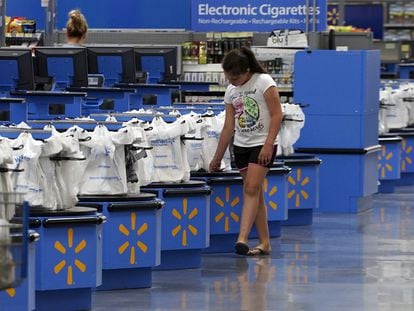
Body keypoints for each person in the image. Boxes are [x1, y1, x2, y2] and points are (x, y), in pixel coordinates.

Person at [209, 47, 283, 256]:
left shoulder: (264, 82)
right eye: (228, 75)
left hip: (262, 144)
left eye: (235, 75)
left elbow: (277, 115)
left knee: (250, 189)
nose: (231, 79)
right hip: (241, 146)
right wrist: (217, 157)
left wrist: (269, 143)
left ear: (247, 70)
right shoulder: (231, 92)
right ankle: (265, 242)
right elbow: (228, 127)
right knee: (255, 193)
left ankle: (242, 238)